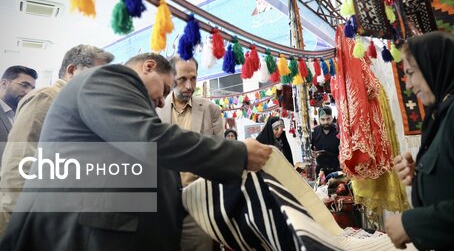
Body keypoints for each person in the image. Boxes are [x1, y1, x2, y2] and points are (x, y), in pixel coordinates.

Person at [0, 53, 272, 251]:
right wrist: (237, 154)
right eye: (166, 88)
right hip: (82, 236)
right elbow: (149, 138)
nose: (163, 100)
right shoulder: (111, 78)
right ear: (148, 67)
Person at [0, 45, 114, 236]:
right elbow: (18, 162)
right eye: (96, 76)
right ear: (71, 70)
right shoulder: (48, 97)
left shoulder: (75, 104)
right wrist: (16, 223)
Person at [386, 31, 454, 250]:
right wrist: (422, 174)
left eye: (410, 72)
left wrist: (410, 224)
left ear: (435, 65)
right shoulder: (446, 113)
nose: (408, 84)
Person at [156, 56, 224, 251]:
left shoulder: (211, 110)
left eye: (193, 78)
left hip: (197, 205)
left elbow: (220, 156)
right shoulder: (154, 108)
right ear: (171, 77)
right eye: (182, 79)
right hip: (162, 205)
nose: (189, 85)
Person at [0, 66, 37, 163]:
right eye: (24, 85)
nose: (29, 92)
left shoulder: (24, 115)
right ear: (4, 83)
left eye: (32, 88)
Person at [311, 105, 340, 177]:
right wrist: (312, 154)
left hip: (337, 170)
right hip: (320, 171)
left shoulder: (338, 131)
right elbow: (309, 150)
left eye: (328, 119)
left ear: (332, 117)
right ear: (319, 119)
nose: (326, 122)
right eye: (323, 119)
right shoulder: (314, 132)